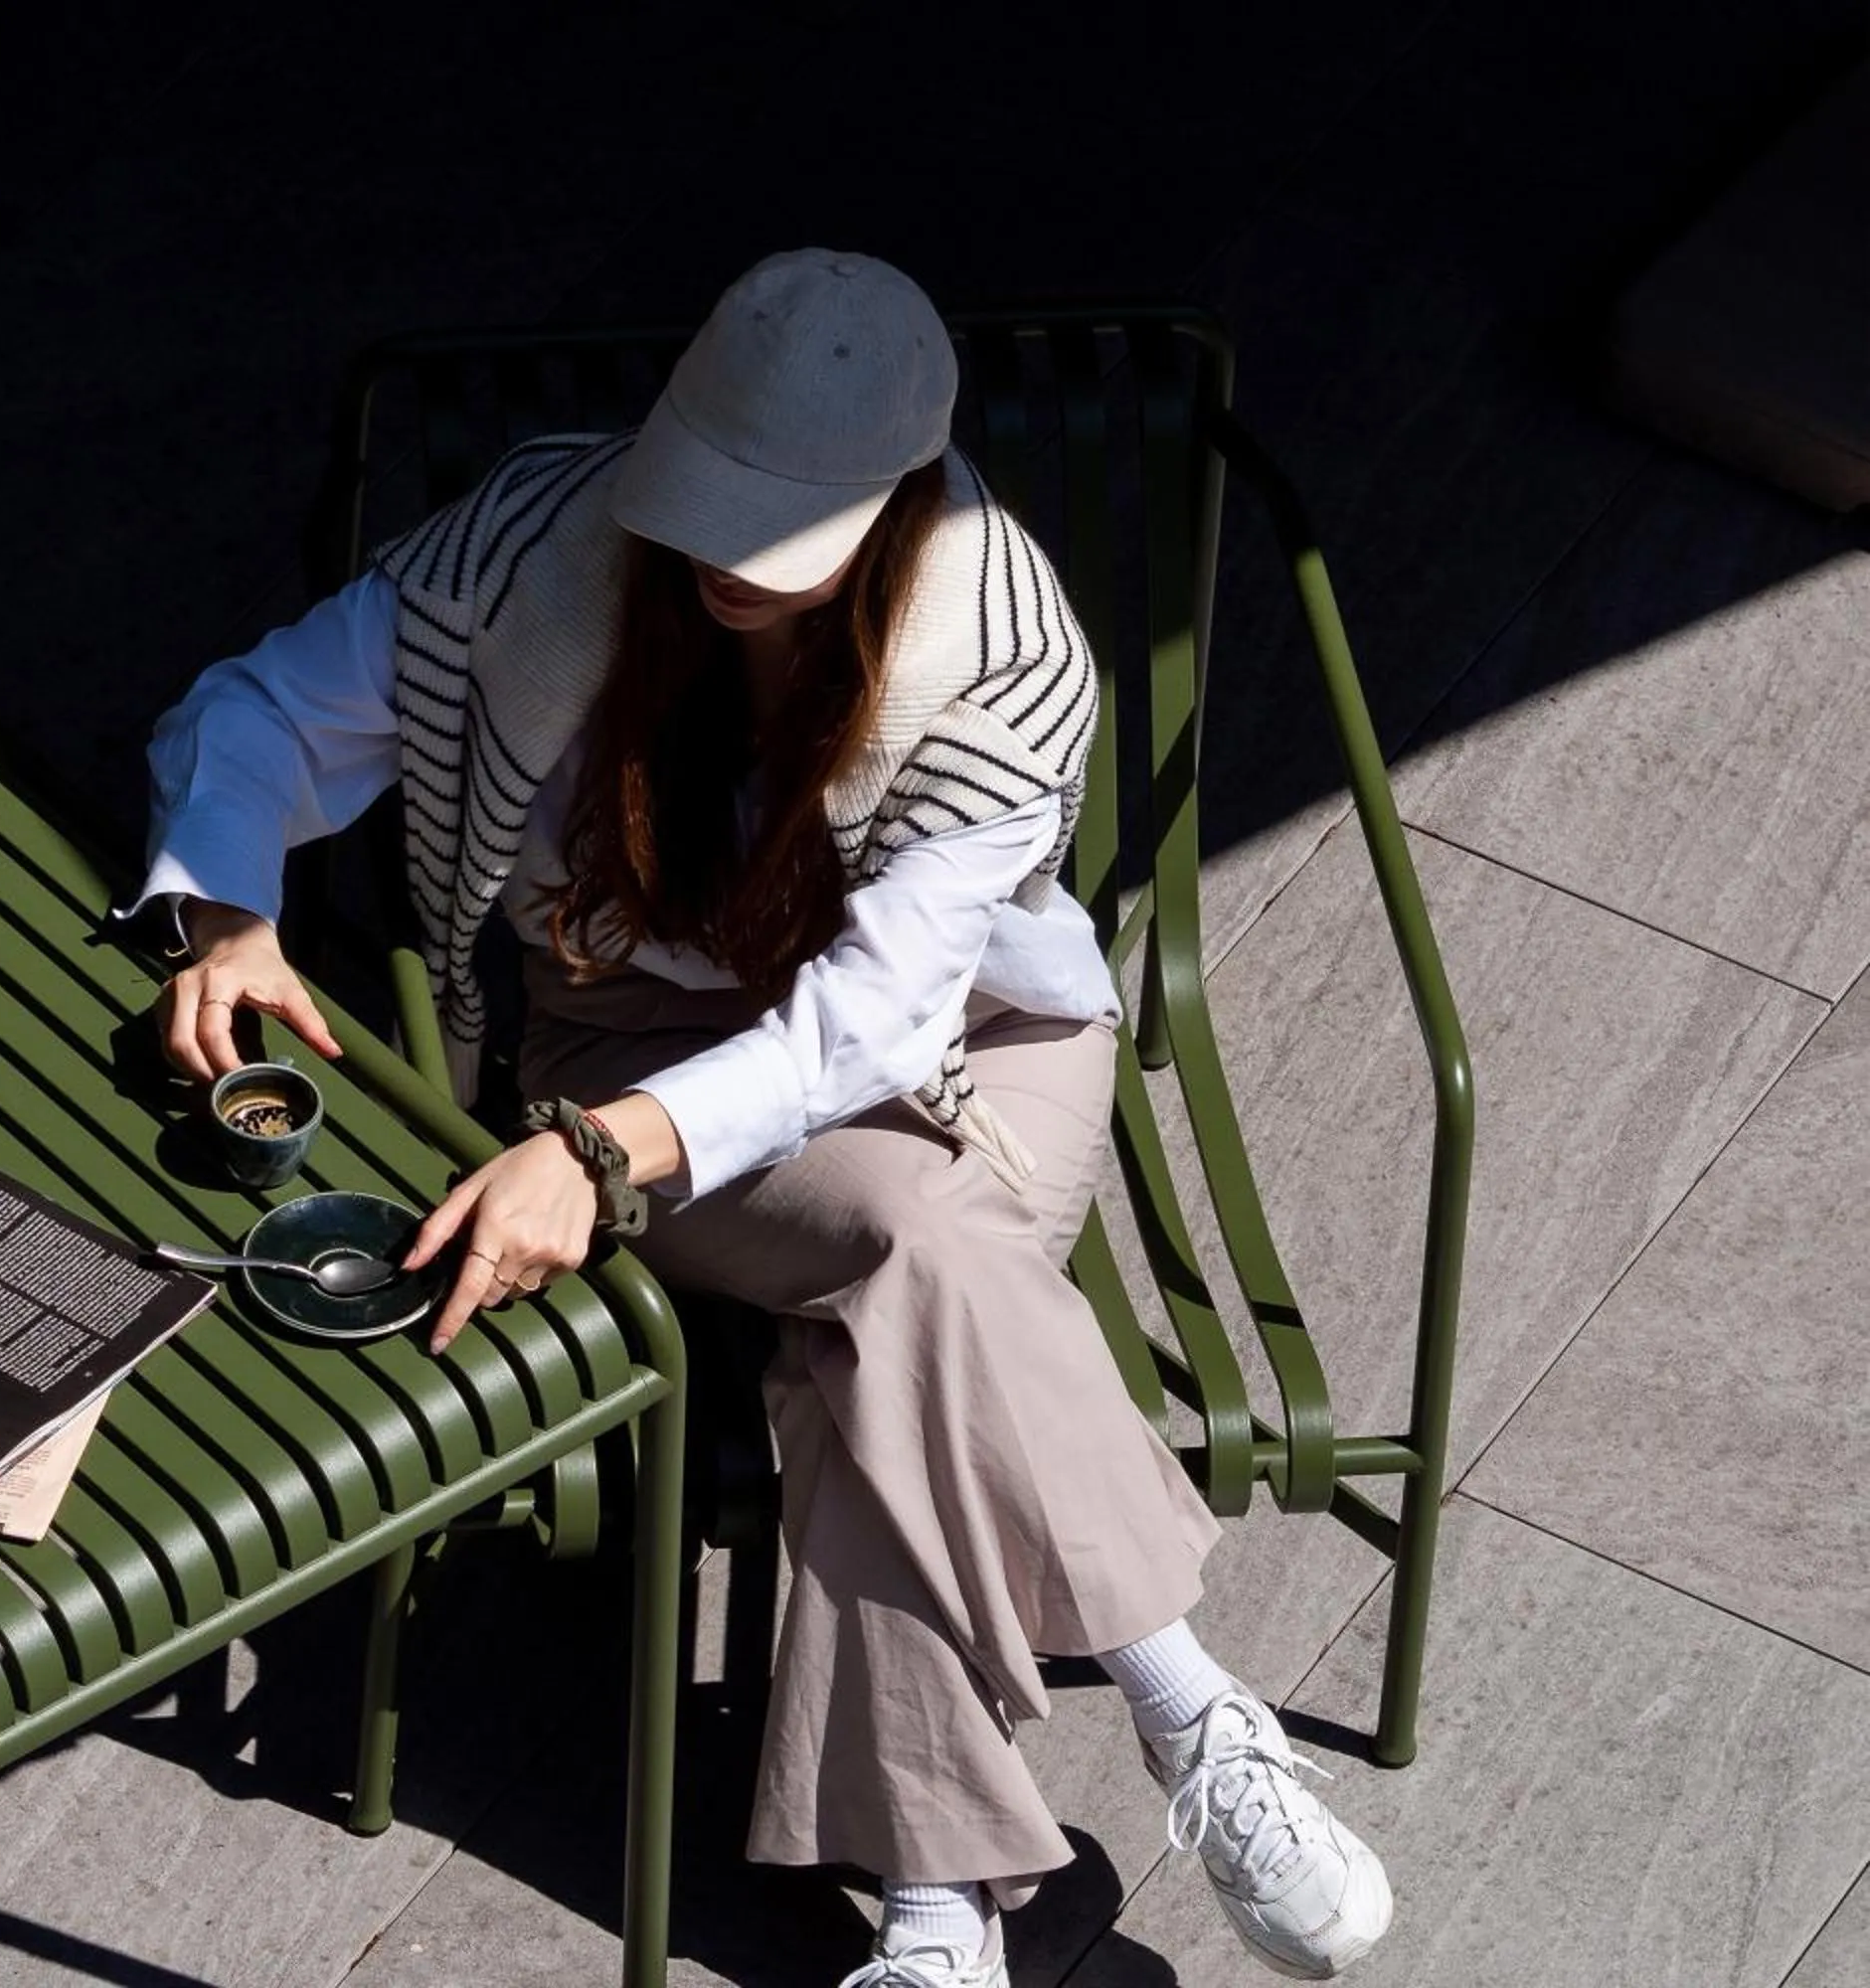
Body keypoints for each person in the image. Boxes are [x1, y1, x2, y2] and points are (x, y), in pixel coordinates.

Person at [130, 250, 1392, 1988]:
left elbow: (869, 1023)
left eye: (777, 532)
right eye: (710, 506)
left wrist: (594, 1163)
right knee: (919, 1263)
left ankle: (948, 1917)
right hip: (623, 1035)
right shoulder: (544, 548)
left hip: (967, 1049)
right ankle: (1186, 1699)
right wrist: (233, 914)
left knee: (877, 1324)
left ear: (895, 510)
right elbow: (259, 707)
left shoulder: (1003, 659)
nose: (725, 561)